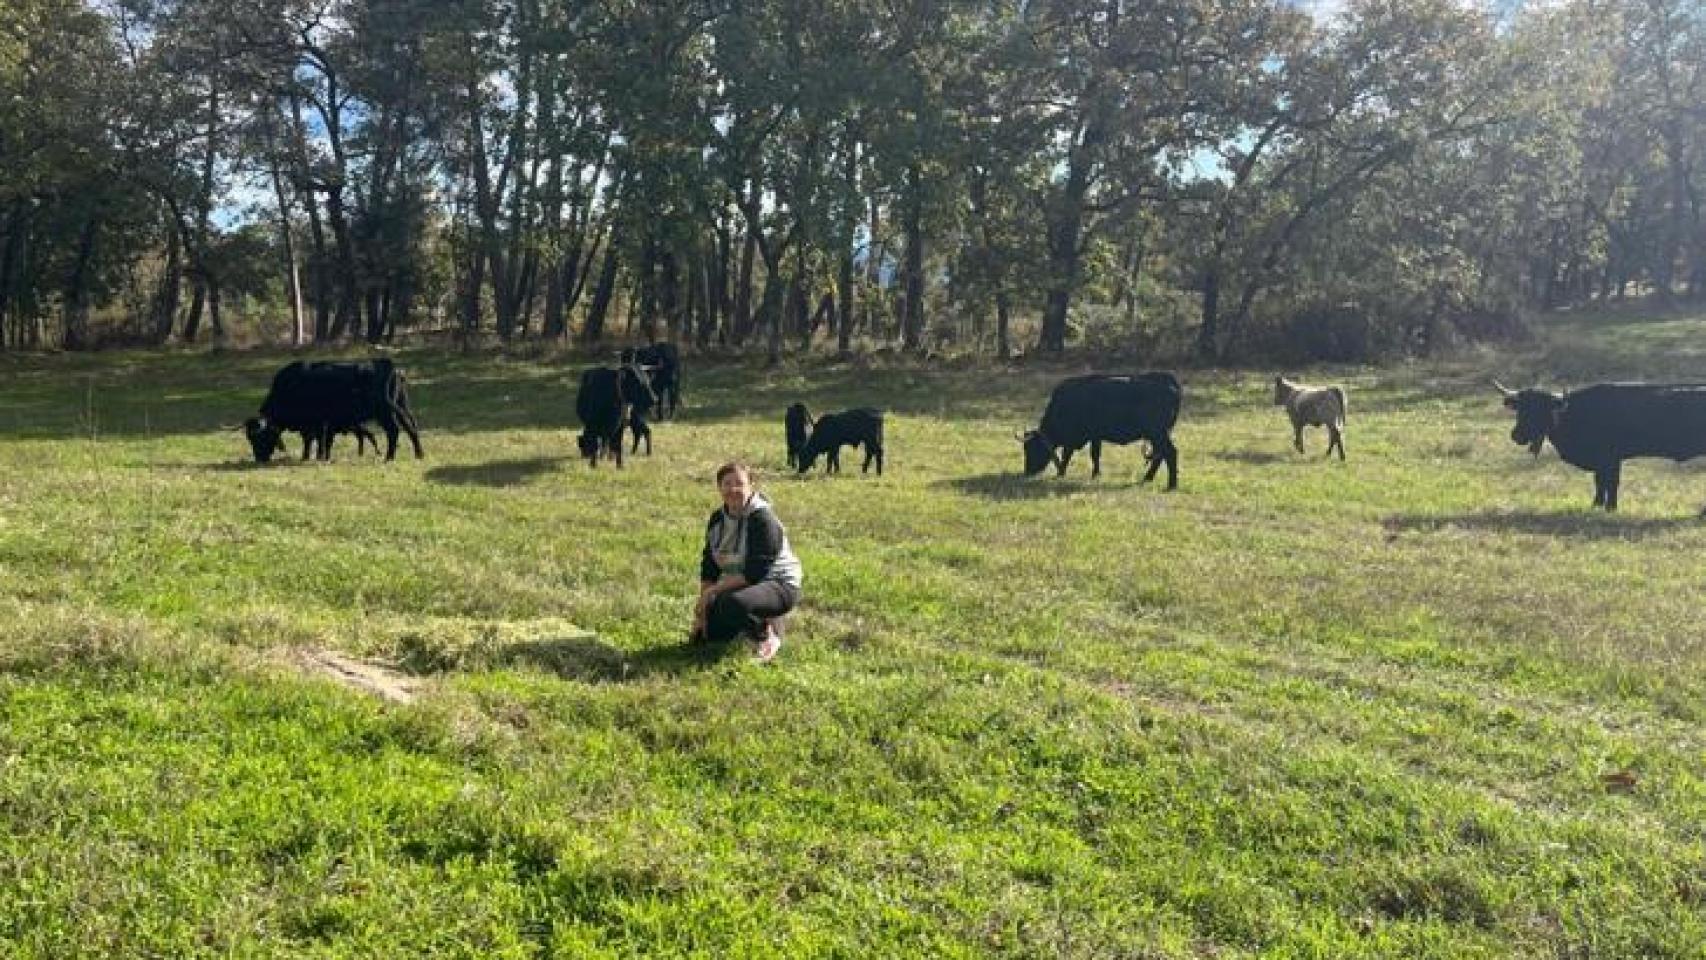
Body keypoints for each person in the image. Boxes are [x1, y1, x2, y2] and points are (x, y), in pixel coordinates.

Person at [692, 461, 803, 661]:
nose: (733, 489)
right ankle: (759, 619)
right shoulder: (717, 519)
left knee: (733, 603)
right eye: (727, 484)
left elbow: (756, 572)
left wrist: (713, 591)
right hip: (744, 583)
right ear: (719, 488)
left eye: (739, 483)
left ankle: (768, 634)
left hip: (779, 584)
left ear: (751, 485)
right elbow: (709, 567)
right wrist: (702, 611)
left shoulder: (763, 519)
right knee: (710, 636)